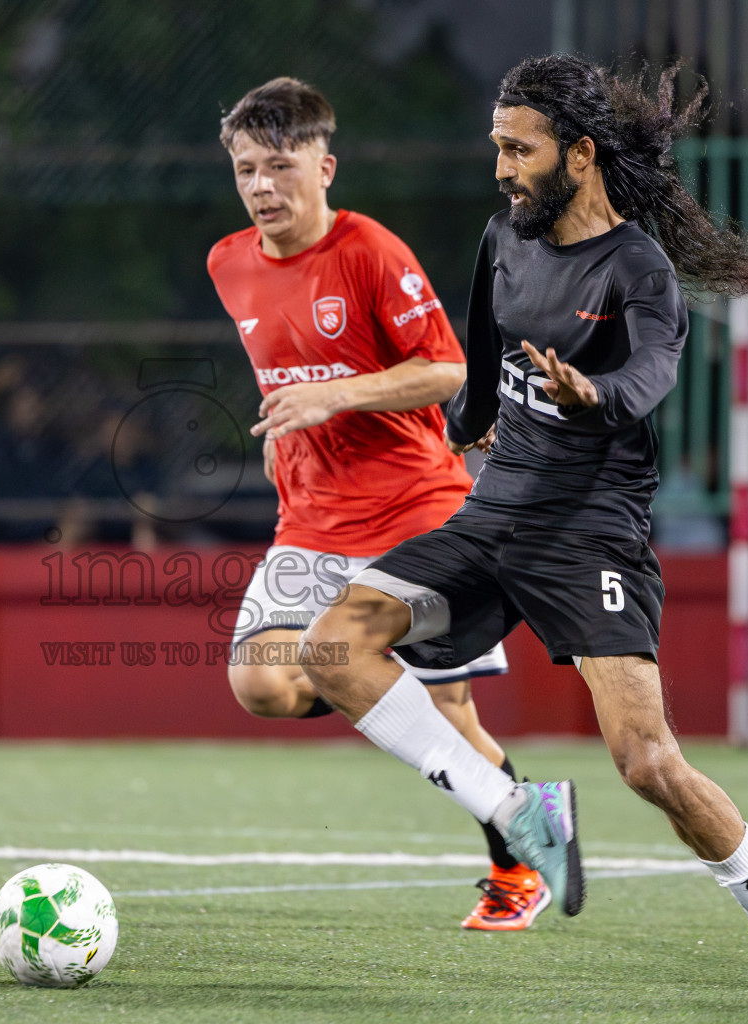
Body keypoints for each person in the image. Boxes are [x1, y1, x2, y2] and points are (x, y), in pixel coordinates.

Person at [300, 55, 748, 990]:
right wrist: (434, 429)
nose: (501, 168)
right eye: (496, 147)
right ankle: (518, 812)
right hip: (491, 517)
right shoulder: (504, 237)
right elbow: (477, 366)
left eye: (519, 149)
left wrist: (594, 392)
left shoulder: (639, 268)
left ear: (578, 154)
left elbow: (649, 376)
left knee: (646, 762)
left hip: (589, 537)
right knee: (333, 647)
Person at [207, 78, 546, 931]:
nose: (260, 187)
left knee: (448, 710)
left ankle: (518, 866)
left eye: (278, 166)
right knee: (260, 683)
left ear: (325, 166)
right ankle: (368, 676)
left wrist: (336, 396)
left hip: (413, 509)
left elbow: (450, 370)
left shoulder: (370, 251)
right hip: (310, 525)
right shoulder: (227, 262)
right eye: (246, 169)